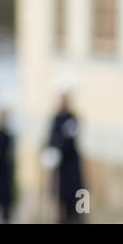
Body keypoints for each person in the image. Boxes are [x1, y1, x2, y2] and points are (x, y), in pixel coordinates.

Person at [47, 94, 84, 224]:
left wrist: (60, 150)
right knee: (58, 200)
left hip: (70, 168)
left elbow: (70, 140)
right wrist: (50, 151)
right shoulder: (55, 118)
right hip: (59, 169)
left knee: (72, 202)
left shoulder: (73, 119)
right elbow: (50, 138)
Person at [0, 108, 15, 223]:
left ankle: (6, 218)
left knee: (5, 198)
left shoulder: (8, 135)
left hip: (5, 171)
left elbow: (7, 153)